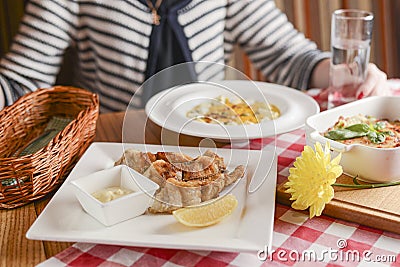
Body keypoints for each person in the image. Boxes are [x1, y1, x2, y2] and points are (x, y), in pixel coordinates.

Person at [0, 0, 389, 113]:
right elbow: (21, 80)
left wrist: (341, 74)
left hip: (215, 137)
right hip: (115, 147)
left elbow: (286, 54)